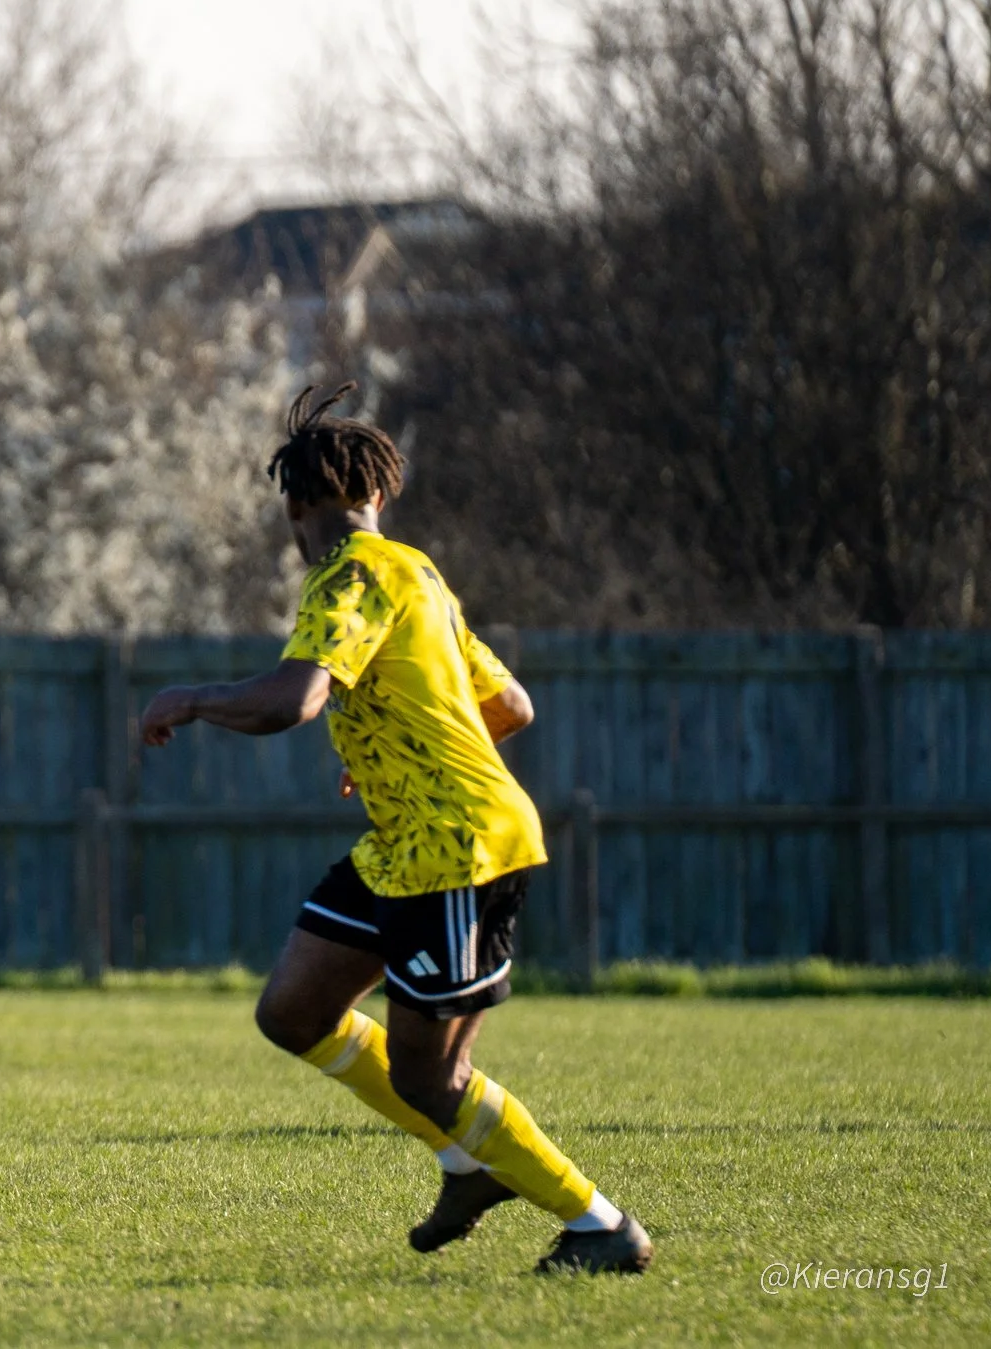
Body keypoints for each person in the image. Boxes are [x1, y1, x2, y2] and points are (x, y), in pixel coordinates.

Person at [137, 383, 650, 1274]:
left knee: (429, 1077)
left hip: (457, 850)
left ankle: (599, 1223)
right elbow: (512, 704)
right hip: (403, 846)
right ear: (380, 495)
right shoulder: (418, 573)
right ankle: (465, 1165)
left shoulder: (349, 576)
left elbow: (292, 700)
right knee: (294, 1012)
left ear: (295, 504)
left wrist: (190, 698)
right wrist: (389, 746)